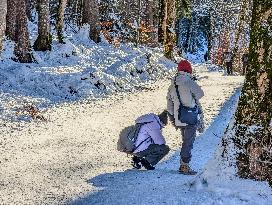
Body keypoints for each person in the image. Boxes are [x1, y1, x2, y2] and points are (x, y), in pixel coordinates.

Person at [166, 60, 204, 175]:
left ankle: (183, 164)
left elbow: (169, 104)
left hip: (179, 117)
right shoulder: (188, 82)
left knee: (185, 140)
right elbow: (200, 94)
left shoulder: (173, 84)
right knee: (188, 141)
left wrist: (173, 118)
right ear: (189, 70)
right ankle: (184, 166)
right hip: (190, 116)